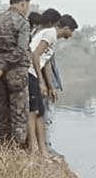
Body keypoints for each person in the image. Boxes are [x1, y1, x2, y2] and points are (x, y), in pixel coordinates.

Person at [0, 0, 32, 146]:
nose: (27, 9)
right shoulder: (22, 22)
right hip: (16, 72)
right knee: (19, 111)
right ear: (22, 3)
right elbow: (21, 50)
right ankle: (17, 148)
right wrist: (6, 66)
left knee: (2, 110)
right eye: (27, 5)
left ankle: (4, 146)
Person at [28, 14, 77, 156]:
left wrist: (51, 86)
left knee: (41, 112)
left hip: (35, 73)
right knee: (33, 111)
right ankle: (34, 148)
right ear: (66, 28)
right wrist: (40, 81)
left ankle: (43, 150)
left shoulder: (53, 38)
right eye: (72, 31)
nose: (72, 35)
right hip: (29, 72)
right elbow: (35, 55)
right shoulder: (49, 34)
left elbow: (46, 62)